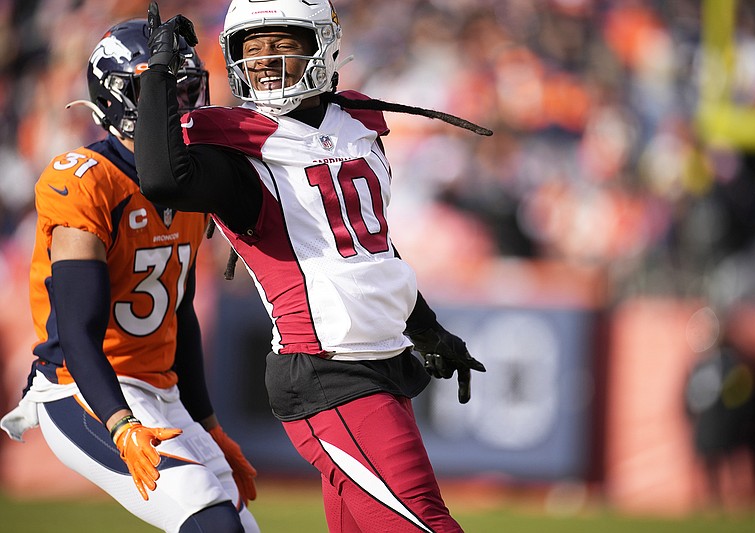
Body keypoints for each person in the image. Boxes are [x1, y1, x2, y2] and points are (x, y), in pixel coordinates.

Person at [137, 1, 488, 531]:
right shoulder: (241, 154)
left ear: (322, 43)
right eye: (251, 48)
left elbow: (370, 254)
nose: (264, 60)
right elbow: (162, 177)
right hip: (328, 368)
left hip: (383, 360)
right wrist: (159, 70)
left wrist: (428, 331)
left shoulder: (355, 126)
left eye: (281, 43)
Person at [0, 18, 259, 533]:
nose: (175, 104)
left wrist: (208, 423)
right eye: (157, 88)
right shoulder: (85, 179)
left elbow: (178, 314)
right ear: (116, 96)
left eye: (184, 88)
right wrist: (120, 425)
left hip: (162, 391)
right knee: (214, 526)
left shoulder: (191, 182)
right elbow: (76, 332)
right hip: (80, 390)